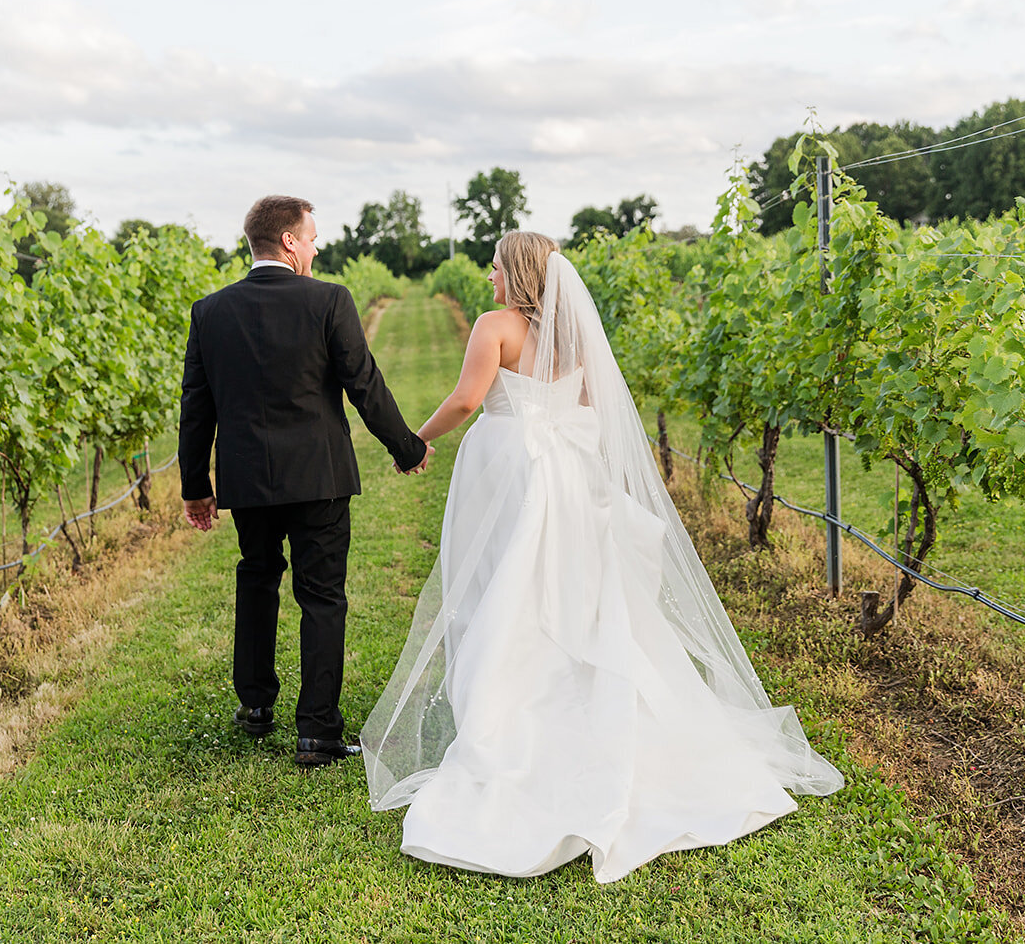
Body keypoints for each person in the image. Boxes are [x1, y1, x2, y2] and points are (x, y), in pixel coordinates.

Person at [360, 231, 844, 882]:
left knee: (505, 587)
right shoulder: (572, 332)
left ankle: (504, 715)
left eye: (498, 265)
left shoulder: (494, 325)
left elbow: (469, 399)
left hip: (513, 474)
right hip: (568, 474)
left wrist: (413, 440)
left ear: (518, 271)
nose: (490, 274)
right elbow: (595, 402)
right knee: (570, 589)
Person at [179, 195, 432, 768]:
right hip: (319, 477)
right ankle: (317, 732)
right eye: (312, 237)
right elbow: (363, 384)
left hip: (247, 481)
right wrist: (407, 447)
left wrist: (196, 485)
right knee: (322, 597)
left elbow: (197, 407)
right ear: (289, 242)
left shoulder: (210, 311)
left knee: (257, 580)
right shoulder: (329, 300)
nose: (317, 247)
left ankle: (255, 707)